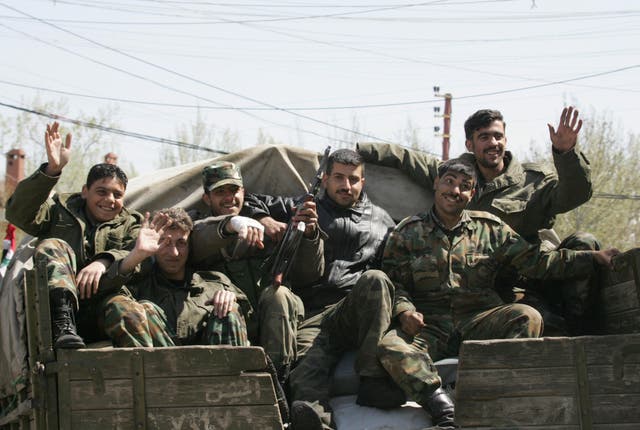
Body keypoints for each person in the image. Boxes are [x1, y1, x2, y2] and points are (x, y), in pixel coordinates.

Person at [376, 158, 618, 429]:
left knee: (527, 316)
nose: (455, 191)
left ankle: (499, 398)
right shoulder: (407, 232)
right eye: (449, 182)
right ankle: (444, 409)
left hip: (479, 320)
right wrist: (405, 311)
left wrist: (592, 257)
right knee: (390, 346)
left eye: (465, 186)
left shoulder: (491, 229)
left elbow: (537, 262)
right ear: (436, 183)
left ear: (473, 193)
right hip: (430, 326)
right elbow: (394, 282)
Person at [358, 106, 597, 335]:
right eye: (484, 137)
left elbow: (576, 195)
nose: (493, 143)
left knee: (582, 246)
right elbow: (405, 157)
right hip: (478, 286)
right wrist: (356, 151)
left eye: (498, 136)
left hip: (526, 277)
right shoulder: (455, 177)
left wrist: (566, 153)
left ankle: (582, 332)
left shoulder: (532, 182)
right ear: (470, 144)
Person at [241, 149, 397, 429]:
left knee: (376, 278)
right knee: (306, 374)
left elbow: (398, 270)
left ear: (363, 182)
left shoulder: (383, 221)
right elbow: (248, 201)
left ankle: (373, 377)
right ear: (325, 179)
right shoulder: (304, 206)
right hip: (312, 313)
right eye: (338, 177)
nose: (346, 186)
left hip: (356, 310)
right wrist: (265, 220)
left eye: (353, 179)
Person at [6, 122, 143, 349]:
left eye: (117, 194)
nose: (110, 199)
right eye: (102, 191)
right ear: (85, 191)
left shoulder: (131, 223)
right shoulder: (59, 210)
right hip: (56, 313)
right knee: (52, 245)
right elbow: (18, 213)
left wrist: (104, 260)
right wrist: (51, 170)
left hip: (104, 308)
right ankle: (64, 323)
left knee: (127, 308)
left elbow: (138, 255)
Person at [188, 161, 325, 383]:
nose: (229, 197)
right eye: (220, 192)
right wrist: (232, 224)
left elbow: (310, 275)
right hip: (230, 320)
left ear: (243, 192)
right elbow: (196, 238)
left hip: (278, 321)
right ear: (207, 198)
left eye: (234, 190)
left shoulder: (270, 220)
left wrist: (309, 236)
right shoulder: (199, 223)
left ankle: (278, 383)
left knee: (279, 295)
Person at [102, 207, 249, 348]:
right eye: (164, 242)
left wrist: (233, 298)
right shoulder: (138, 287)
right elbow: (103, 302)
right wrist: (136, 254)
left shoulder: (215, 283)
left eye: (181, 243)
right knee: (143, 307)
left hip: (216, 367)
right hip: (160, 368)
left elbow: (252, 324)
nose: (174, 253)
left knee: (230, 311)